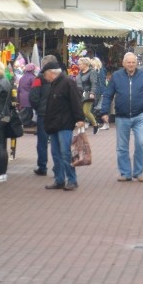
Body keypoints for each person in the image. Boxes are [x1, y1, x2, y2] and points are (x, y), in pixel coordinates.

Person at [100, 52, 143, 183]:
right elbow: (108, 94)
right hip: (122, 116)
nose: (131, 64)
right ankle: (125, 173)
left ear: (137, 63)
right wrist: (104, 112)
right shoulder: (116, 76)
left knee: (141, 142)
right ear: (123, 63)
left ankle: (138, 172)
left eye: (133, 62)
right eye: (128, 62)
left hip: (140, 115)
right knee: (122, 146)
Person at [41, 60, 86, 191]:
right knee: (56, 153)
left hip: (64, 124)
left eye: (45, 74)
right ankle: (59, 179)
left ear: (51, 73)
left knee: (66, 153)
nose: (44, 77)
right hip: (54, 124)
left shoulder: (67, 83)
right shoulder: (55, 84)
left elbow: (76, 101)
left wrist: (79, 118)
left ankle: (72, 180)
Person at [29, 55, 57, 176]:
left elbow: (33, 97)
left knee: (42, 142)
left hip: (43, 114)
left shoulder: (39, 79)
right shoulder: (62, 78)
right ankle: (58, 167)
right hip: (57, 114)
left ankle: (42, 166)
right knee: (57, 142)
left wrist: (38, 108)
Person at [75, 57, 99, 134]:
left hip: (88, 94)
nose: (79, 66)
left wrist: (92, 92)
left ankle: (95, 124)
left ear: (85, 64)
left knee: (86, 112)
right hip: (79, 94)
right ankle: (81, 128)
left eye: (80, 64)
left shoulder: (92, 72)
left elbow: (94, 83)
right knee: (80, 112)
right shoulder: (79, 73)